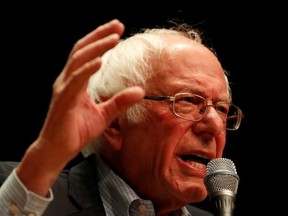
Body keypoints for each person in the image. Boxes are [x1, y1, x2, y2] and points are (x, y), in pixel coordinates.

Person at [0, 18, 243, 216]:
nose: (214, 125)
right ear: (115, 120)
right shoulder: (23, 188)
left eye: (221, 109)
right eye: (188, 101)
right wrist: (48, 154)